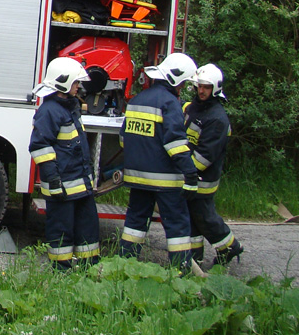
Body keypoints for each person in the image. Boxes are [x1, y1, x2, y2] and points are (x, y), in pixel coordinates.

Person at [117, 52, 199, 272]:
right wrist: (190, 174)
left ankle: (124, 264)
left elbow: (124, 139)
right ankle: (180, 271)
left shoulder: (136, 101)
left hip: (136, 177)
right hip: (165, 181)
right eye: (183, 84)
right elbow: (176, 145)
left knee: (134, 223)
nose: (183, 89)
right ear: (175, 80)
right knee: (177, 225)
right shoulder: (170, 103)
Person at [29, 57, 101, 270]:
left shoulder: (71, 107)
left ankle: (90, 270)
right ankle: (61, 273)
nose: (78, 86)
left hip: (80, 186)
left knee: (88, 228)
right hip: (62, 186)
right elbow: (40, 147)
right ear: (63, 82)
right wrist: (53, 180)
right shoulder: (49, 111)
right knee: (61, 231)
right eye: (76, 82)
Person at [183, 63, 244, 267]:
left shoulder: (217, 118)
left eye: (206, 87)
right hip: (191, 175)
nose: (201, 90)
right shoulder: (193, 108)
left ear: (215, 88)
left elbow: (204, 156)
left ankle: (229, 247)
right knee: (192, 218)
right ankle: (194, 258)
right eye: (199, 86)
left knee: (204, 217)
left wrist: (183, 171)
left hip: (203, 178)